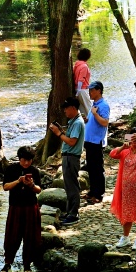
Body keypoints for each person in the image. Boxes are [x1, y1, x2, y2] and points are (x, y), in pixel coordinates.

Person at [1, 145, 43, 272]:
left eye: (29, 160)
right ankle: (8, 263)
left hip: (31, 207)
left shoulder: (34, 171)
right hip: (15, 207)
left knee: (30, 237)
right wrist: (18, 181)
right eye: (24, 160)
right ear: (19, 159)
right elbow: (5, 187)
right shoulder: (11, 169)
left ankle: (27, 265)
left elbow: (39, 190)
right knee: (12, 236)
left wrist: (31, 185)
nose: (26, 163)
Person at [49, 96, 84, 226]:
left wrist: (59, 133)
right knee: (69, 186)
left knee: (72, 186)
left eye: (66, 108)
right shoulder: (74, 121)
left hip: (71, 157)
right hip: (68, 157)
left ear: (73, 108)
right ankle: (70, 212)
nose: (64, 111)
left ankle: (73, 214)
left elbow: (72, 141)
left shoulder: (77, 123)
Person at [83, 81, 111, 205]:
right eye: (89, 90)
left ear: (99, 90)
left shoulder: (103, 105)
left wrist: (94, 114)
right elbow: (93, 120)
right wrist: (87, 119)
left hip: (96, 141)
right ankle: (92, 191)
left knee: (97, 168)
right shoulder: (94, 104)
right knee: (91, 167)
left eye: (92, 90)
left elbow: (105, 122)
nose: (90, 93)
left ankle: (99, 194)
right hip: (89, 141)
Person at [73, 47, 93, 118]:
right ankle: (95, 125)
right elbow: (80, 80)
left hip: (78, 90)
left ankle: (85, 126)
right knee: (89, 109)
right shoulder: (84, 66)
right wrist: (78, 92)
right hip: (82, 90)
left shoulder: (76, 65)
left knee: (82, 110)